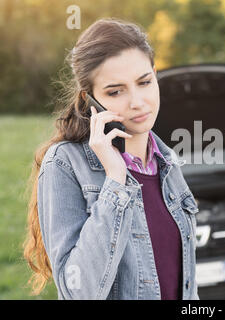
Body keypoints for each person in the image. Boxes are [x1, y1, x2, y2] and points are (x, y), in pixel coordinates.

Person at [23, 18, 199, 300]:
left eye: (144, 82)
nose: (137, 101)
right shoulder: (65, 164)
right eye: (115, 91)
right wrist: (116, 182)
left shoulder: (168, 162)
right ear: (89, 99)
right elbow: (78, 293)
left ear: (155, 76)